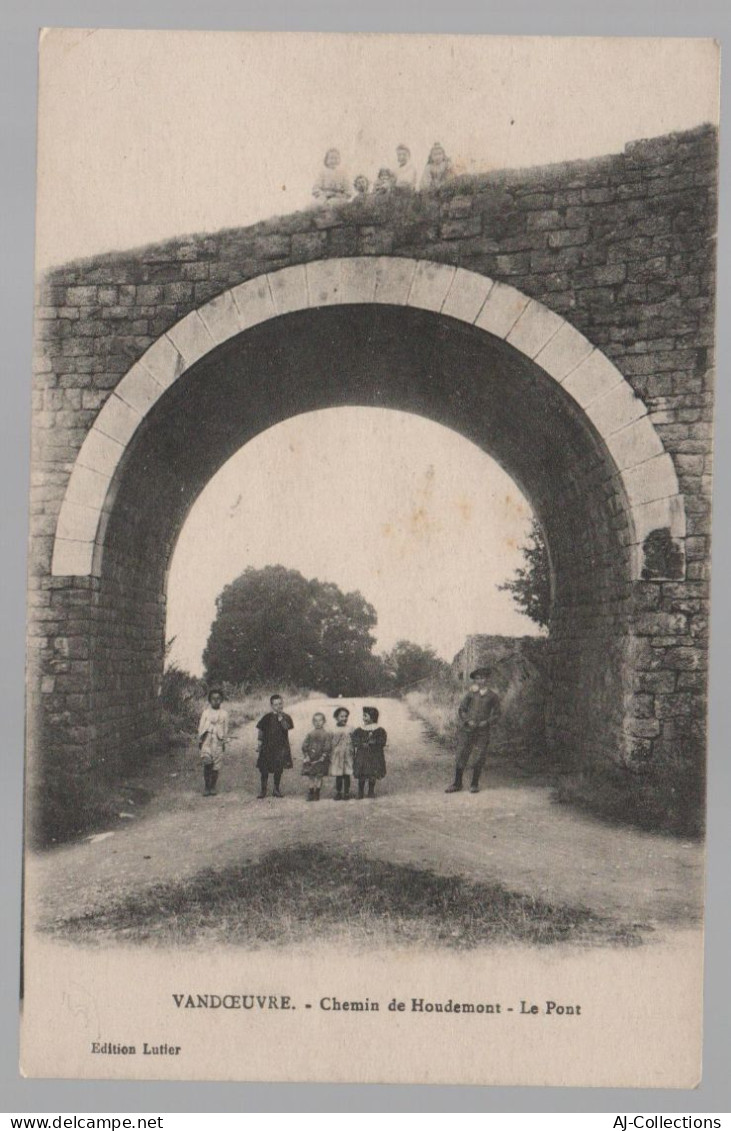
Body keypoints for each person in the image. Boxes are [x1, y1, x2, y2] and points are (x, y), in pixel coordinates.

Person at [446, 667, 501, 795]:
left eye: (482, 678)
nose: (480, 681)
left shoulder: (492, 696)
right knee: (462, 754)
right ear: (475, 680)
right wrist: (467, 721)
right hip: (467, 729)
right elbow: (462, 709)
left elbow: (497, 714)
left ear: (487, 679)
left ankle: (474, 784)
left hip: (482, 731)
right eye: (477, 678)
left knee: (479, 756)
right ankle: (457, 783)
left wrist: (486, 722)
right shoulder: (471, 694)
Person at [256, 694, 294, 798]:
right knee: (264, 769)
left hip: (280, 748)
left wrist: (281, 719)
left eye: (280, 703)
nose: (278, 706)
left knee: (278, 768)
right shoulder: (267, 717)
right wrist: (259, 742)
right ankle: (263, 790)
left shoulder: (286, 717)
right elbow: (261, 729)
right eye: (276, 704)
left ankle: (276, 789)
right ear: (271, 706)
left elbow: (286, 728)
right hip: (267, 747)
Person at [197, 685, 229, 796]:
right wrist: (200, 740)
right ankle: (206, 786)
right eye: (213, 699)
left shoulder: (224, 714)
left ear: (221, 700)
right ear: (210, 700)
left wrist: (224, 741)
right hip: (207, 739)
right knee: (207, 763)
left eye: (218, 699)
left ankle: (213, 786)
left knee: (216, 766)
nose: (216, 701)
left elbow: (225, 729)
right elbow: (201, 726)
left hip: (218, 740)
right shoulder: (206, 712)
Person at [352, 706, 387, 799]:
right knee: (362, 774)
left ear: (372, 717)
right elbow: (354, 739)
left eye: (365, 716)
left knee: (372, 774)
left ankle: (371, 791)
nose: (363, 718)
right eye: (363, 716)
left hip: (374, 756)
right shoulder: (360, 730)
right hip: (362, 756)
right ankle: (360, 792)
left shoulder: (379, 730)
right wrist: (360, 743)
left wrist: (374, 742)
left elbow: (382, 741)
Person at [301, 711, 333, 802]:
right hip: (311, 758)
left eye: (320, 720)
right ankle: (311, 792)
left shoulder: (326, 734)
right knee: (311, 776)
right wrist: (306, 755)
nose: (318, 723)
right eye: (315, 721)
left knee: (319, 776)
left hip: (321, 759)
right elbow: (304, 745)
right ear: (313, 722)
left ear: (324, 721)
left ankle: (317, 793)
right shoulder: (310, 734)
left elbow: (328, 746)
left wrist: (324, 756)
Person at [330, 706, 354, 800]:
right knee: (339, 775)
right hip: (338, 755)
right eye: (341, 716)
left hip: (348, 754)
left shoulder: (351, 728)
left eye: (346, 716)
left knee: (347, 774)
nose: (344, 718)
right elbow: (331, 742)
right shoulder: (333, 729)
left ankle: (347, 792)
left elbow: (354, 740)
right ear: (336, 717)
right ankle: (338, 792)